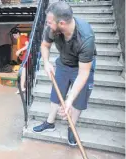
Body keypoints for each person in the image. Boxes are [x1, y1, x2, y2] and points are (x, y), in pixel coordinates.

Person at [32, 1, 96, 146]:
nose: (47, 25)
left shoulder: (86, 38)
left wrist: (69, 99)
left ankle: (71, 127)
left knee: (78, 101)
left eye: (49, 22)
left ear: (61, 23)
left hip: (82, 67)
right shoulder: (53, 29)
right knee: (56, 94)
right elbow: (45, 45)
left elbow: (83, 73)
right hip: (63, 63)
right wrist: (47, 62)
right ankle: (50, 123)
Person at [11, 28, 29, 94]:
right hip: (23, 58)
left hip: (26, 57)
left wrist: (19, 50)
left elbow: (28, 45)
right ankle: (22, 87)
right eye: (13, 36)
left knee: (23, 73)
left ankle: (21, 88)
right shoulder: (19, 39)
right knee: (22, 73)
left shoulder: (22, 37)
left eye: (15, 35)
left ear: (18, 33)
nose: (14, 37)